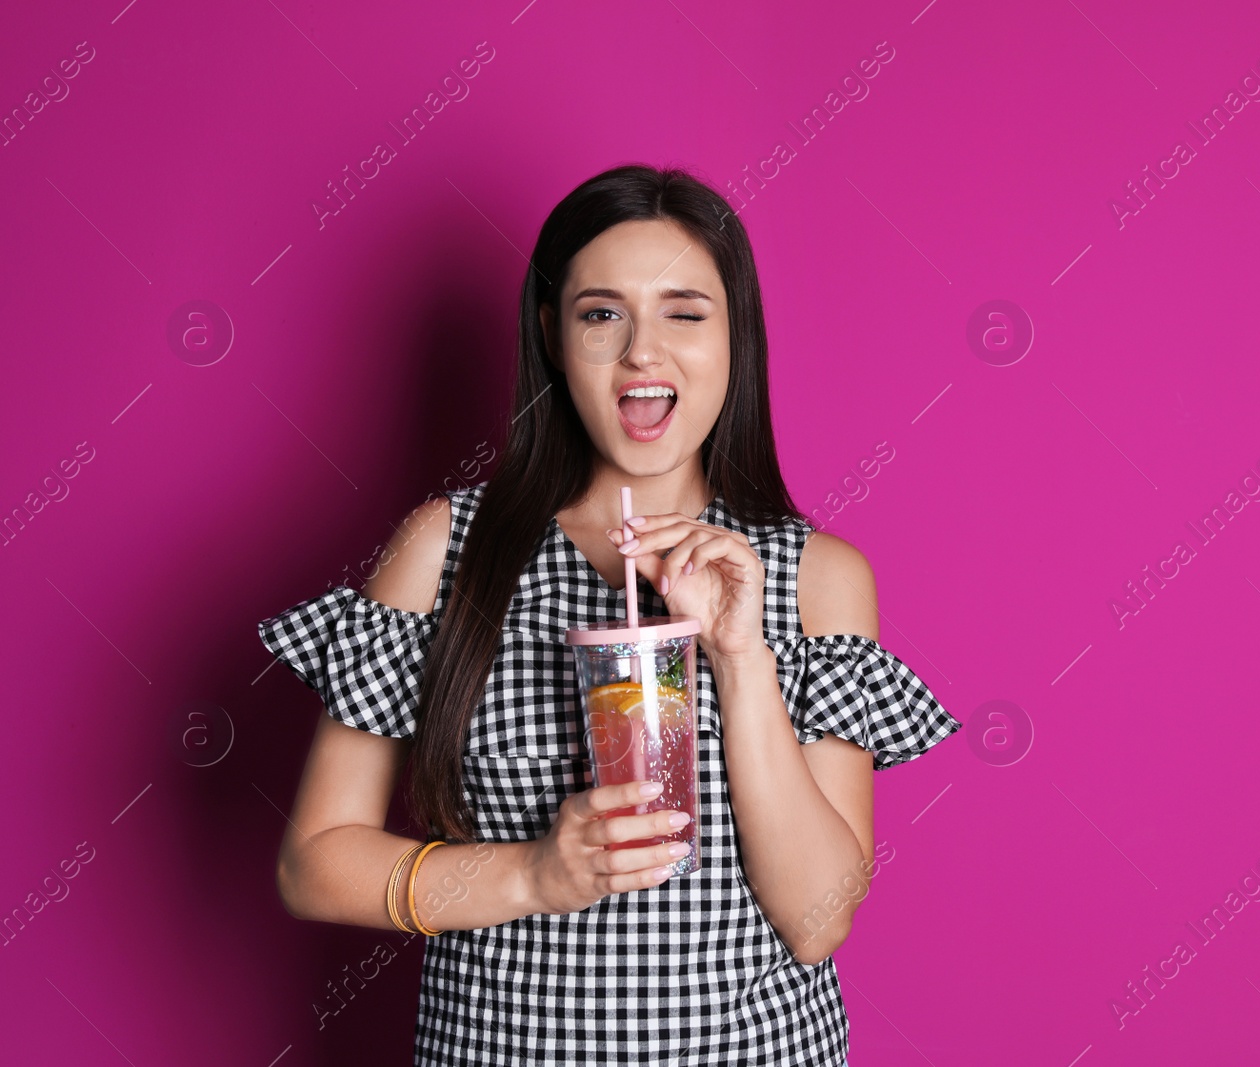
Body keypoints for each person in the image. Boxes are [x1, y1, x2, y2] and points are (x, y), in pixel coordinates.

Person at [257, 163, 961, 1066]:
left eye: (685, 311)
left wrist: (742, 658)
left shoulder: (811, 576)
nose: (642, 352)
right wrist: (534, 874)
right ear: (552, 336)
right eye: (602, 313)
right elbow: (313, 863)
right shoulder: (444, 550)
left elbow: (820, 920)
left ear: (736, 338)